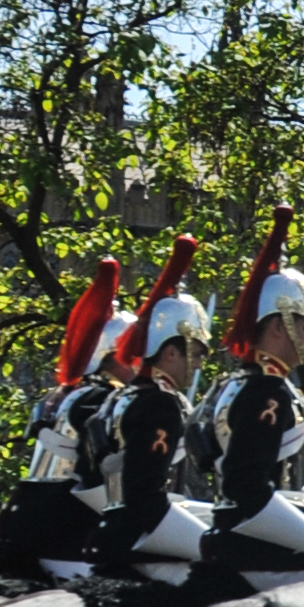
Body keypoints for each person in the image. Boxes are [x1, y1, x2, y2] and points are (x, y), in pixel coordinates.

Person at [201, 209, 304, 590]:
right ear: (279, 326)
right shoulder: (267, 392)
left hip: (238, 540)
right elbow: (248, 489)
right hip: (257, 551)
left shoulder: (237, 383)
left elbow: (282, 490)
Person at [90, 233, 217, 582]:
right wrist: (211, 544)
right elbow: (147, 495)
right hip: (145, 544)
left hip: (111, 535)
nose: (202, 363)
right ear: (171, 352)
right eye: (197, 352)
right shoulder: (160, 404)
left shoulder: (122, 396)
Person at [0, 255, 123, 579]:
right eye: (132, 356)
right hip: (70, 532)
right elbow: (101, 476)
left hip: (26, 516)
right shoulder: (103, 398)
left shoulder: (59, 395)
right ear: (112, 356)